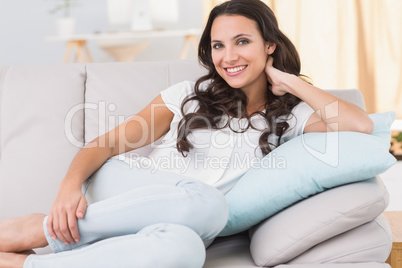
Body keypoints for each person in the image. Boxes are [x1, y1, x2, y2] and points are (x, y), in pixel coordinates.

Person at [0, 0, 374, 267]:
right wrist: (69, 186)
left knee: (186, 252)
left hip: (190, 226)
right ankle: (37, 228)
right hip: (128, 188)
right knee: (209, 204)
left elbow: (361, 126)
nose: (228, 57)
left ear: (269, 45)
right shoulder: (186, 97)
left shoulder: (292, 117)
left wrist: (289, 81)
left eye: (242, 41)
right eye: (218, 45)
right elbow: (109, 143)